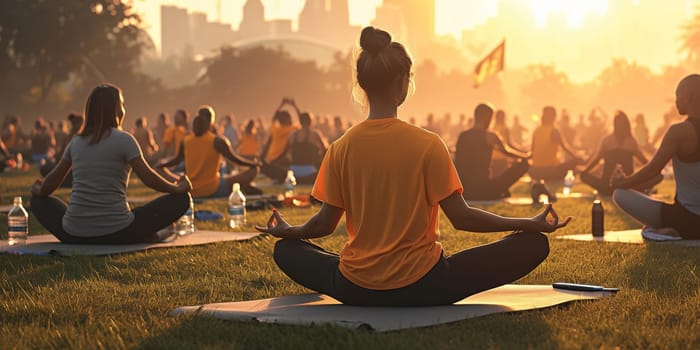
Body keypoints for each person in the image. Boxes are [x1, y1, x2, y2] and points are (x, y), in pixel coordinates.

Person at [256, 26, 570, 307]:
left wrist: (290, 231)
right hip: (427, 285)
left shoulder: (340, 148)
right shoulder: (428, 143)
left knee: (286, 250)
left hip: (355, 288)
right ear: (401, 83)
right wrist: (527, 223)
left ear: (362, 84)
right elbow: (461, 217)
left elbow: (323, 225)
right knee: (533, 244)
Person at [31, 84, 192, 244]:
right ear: (115, 109)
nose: (124, 109)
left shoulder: (76, 142)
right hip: (118, 232)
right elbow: (148, 178)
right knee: (182, 200)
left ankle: (145, 233)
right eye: (122, 104)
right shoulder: (124, 140)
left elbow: (50, 184)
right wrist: (177, 188)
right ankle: (150, 234)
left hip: (74, 234)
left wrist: (40, 189)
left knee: (38, 201)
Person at [612, 74, 700, 240]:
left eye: (678, 96)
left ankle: (669, 231)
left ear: (688, 98)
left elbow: (653, 169)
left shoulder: (679, 131)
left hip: (687, 220)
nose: (675, 102)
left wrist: (621, 182)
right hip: (689, 219)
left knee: (620, 194)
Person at [158, 106, 262, 197]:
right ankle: (244, 187)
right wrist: (253, 164)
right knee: (254, 170)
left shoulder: (185, 141)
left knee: (161, 171)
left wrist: (161, 166)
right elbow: (235, 160)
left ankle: (245, 187)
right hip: (213, 189)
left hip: (190, 189)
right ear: (211, 122)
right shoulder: (218, 141)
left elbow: (176, 160)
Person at [455, 104, 529, 200]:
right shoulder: (490, 136)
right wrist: (525, 156)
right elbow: (507, 151)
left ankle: (499, 191)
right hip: (483, 189)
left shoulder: (463, 135)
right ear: (488, 118)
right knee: (524, 164)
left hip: (464, 190)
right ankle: (499, 191)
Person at [580, 111, 660, 196]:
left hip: (607, 185)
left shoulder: (607, 140)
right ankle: (635, 189)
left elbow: (596, 160)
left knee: (583, 175)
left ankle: (609, 190)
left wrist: (584, 171)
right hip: (627, 185)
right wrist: (654, 171)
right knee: (659, 177)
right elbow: (645, 162)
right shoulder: (631, 141)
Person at [529, 106, 582, 182]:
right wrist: (577, 158)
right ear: (554, 117)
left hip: (535, 171)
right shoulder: (554, 130)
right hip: (551, 170)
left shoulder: (536, 130)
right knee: (574, 163)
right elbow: (565, 148)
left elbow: (532, 150)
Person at [260, 99, 299, 182]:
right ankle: (280, 177)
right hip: (277, 160)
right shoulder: (291, 129)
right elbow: (302, 120)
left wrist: (281, 104)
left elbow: (274, 118)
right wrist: (295, 106)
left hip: (275, 159)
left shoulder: (277, 129)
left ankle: (279, 177)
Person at [288, 112, 328, 184]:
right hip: (310, 172)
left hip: (293, 172)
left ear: (300, 122)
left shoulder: (292, 135)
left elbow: (288, 153)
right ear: (310, 122)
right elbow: (326, 151)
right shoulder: (315, 134)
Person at [490, 109, 528, 177]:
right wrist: (523, 152)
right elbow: (509, 145)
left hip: (492, 160)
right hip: (502, 160)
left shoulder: (491, 129)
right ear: (504, 118)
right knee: (502, 181)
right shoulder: (505, 129)